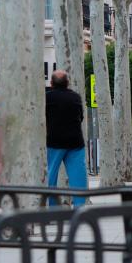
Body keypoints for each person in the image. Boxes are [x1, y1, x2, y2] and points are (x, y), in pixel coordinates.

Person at [45, 70, 87, 207]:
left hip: (54, 142)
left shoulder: (47, 98)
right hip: (75, 142)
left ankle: (52, 209)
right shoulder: (76, 97)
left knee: (50, 177)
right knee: (78, 177)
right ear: (67, 83)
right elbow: (80, 117)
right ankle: (80, 207)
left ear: (51, 83)